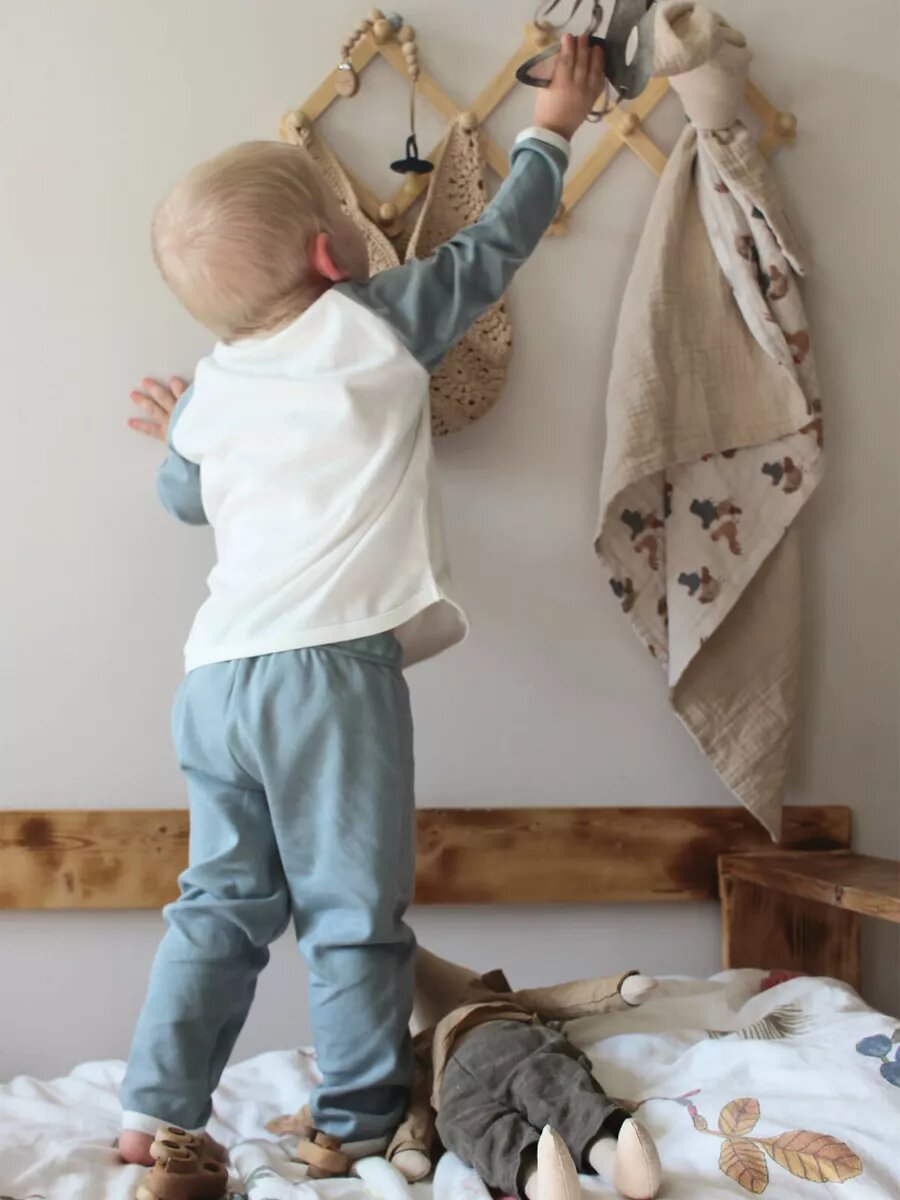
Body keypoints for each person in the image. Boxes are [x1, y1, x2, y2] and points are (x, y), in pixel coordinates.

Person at [120, 33, 606, 1171]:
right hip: (326, 674)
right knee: (349, 914)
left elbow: (182, 497)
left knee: (219, 904)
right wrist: (553, 127)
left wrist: (180, 429)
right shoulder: (375, 320)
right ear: (329, 252)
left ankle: (153, 1111)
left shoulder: (214, 389)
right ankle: (357, 1120)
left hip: (214, 681)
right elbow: (492, 248)